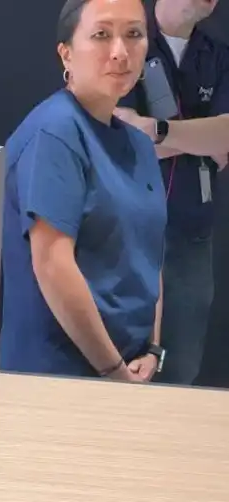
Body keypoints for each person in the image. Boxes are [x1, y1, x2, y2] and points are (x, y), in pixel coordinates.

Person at [0, 0, 168, 382]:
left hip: (128, 369)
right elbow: (53, 264)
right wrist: (114, 371)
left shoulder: (139, 146)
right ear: (66, 54)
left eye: (134, 34)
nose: (120, 51)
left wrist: (151, 348)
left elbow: (149, 255)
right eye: (101, 35)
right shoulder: (55, 132)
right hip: (59, 375)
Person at [114, 0, 229, 386]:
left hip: (191, 232)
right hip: (125, 231)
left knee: (180, 365)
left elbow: (226, 140)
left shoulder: (218, 56)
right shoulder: (125, 41)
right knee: (118, 358)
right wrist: (201, 138)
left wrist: (157, 131)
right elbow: (119, 135)